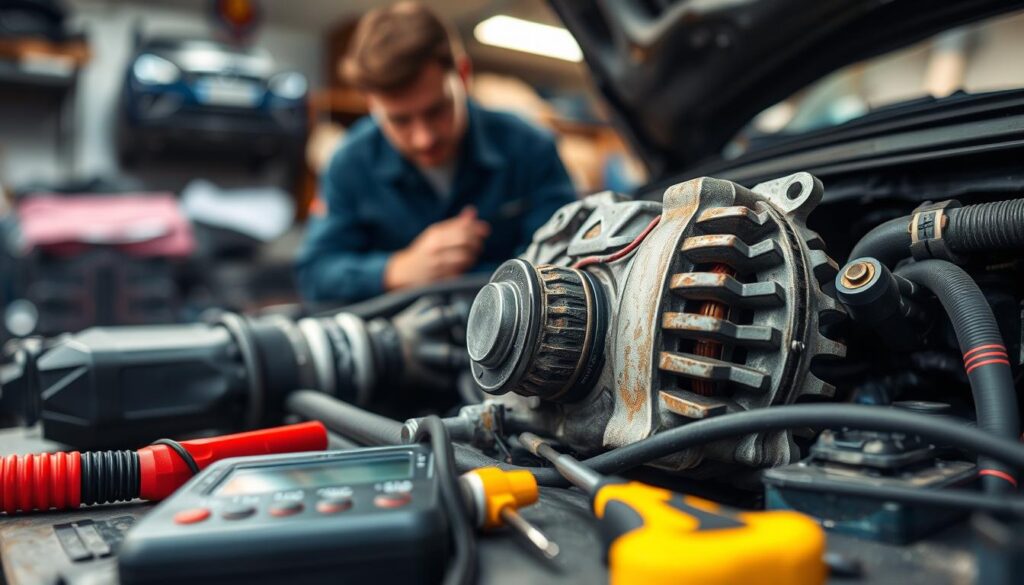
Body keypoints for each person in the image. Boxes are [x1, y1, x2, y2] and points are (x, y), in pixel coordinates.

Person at [296, 1, 576, 303]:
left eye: (436, 110)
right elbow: (315, 273)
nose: (423, 139)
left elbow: (566, 262)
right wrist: (397, 270)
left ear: (463, 75)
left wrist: (474, 279)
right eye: (400, 120)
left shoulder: (531, 148)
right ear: (369, 101)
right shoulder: (348, 164)